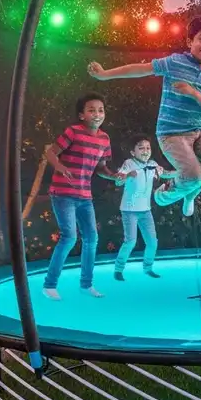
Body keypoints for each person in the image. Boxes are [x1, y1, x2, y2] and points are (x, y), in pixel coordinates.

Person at [87, 15, 201, 218]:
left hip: (199, 132)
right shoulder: (174, 62)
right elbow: (140, 69)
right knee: (194, 176)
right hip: (171, 134)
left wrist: (193, 93)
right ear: (190, 42)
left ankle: (190, 195)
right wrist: (105, 74)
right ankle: (162, 195)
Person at [42, 93, 125, 299]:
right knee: (69, 237)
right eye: (91, 110)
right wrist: (60, 167)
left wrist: (114, 176)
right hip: (63, 193)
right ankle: (49, 285)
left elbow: (101, 167)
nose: (97, 114)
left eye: (100, 110)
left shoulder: (104, 139)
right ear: (81, 115)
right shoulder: (73, 132)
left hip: (84, 195)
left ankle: (86, 284)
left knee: (91, 238)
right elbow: (50, 153)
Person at [113, 134, 175, 281]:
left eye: (148, 148)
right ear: (133, 152)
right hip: (129, 210)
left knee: (153, 242)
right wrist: (127, 176)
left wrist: (184, 172)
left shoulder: (153, 164)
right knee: (130, 241)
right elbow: (118, 181)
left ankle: (148, 268)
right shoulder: (129, 164)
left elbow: (166, 173)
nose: (145, 151)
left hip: (145, 210)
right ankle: (118, 269)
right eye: (141, 148)